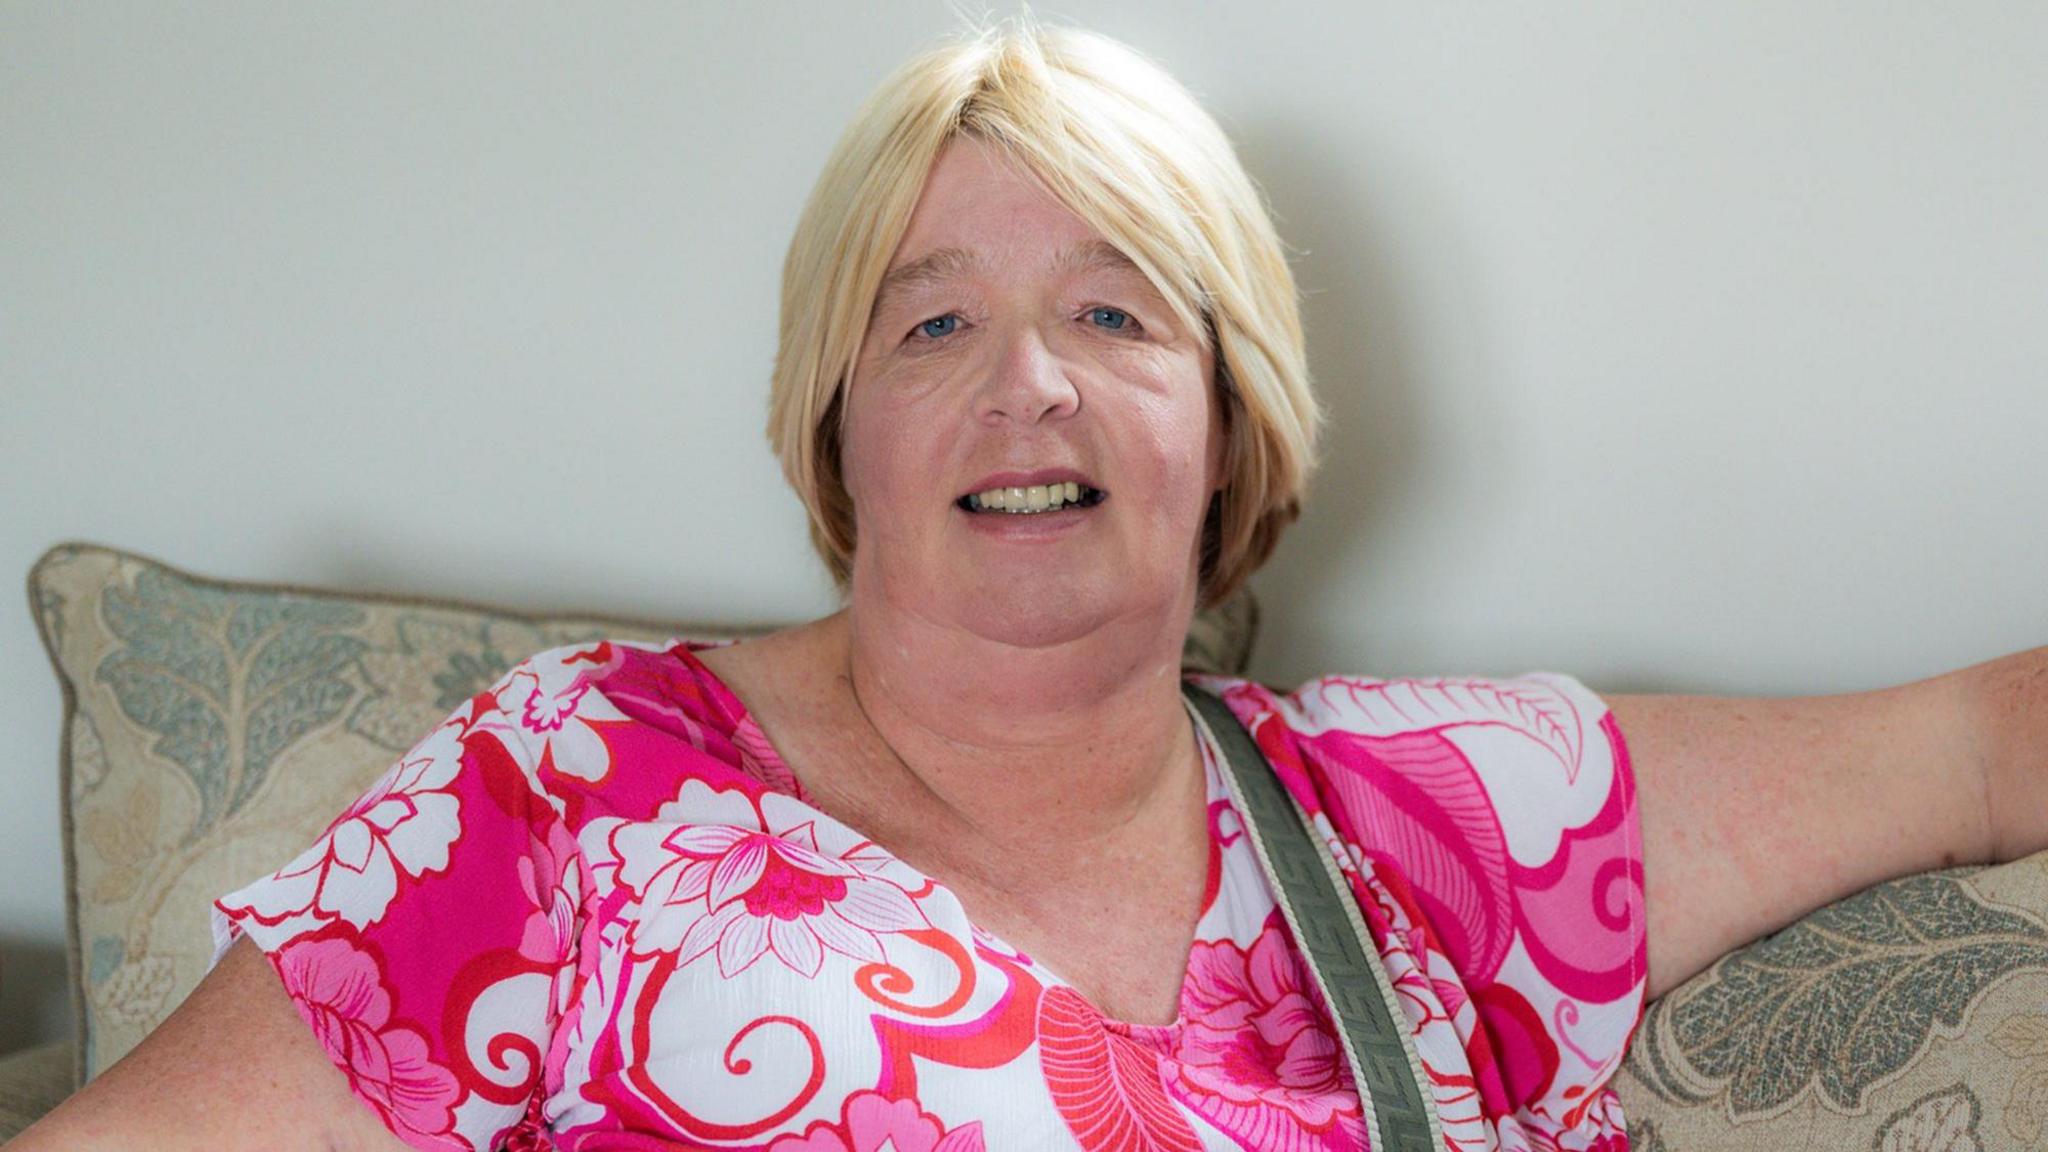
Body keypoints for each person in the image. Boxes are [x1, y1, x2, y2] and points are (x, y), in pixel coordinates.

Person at [11, 16, 2041, 1152]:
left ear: (1230, 421)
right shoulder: (570, 794)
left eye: (1113, 312)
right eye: (929, 329)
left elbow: (1975, 741)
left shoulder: (1444, 811)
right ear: (835, 437)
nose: (1030, 384)